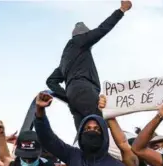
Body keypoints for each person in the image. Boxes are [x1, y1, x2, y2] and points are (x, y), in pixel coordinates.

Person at [46, 1, 133, 131]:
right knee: (100, 127)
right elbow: (102, 29)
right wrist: (121, 10)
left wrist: (67, 96)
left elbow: (51, 81)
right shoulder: (80, 41)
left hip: (74, 97)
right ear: (84, 35)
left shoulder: (65, 59)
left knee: (85, 132)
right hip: (84, 91)